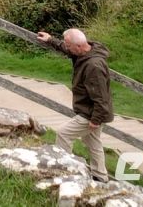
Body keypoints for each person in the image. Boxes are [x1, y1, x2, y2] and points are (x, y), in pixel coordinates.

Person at [35, 28, 113, 182]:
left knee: (63, 134)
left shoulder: (93, 66)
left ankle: (64, 170)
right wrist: (51, 40)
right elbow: (67, 48)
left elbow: (101, 97)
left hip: (90, 113)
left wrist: (95, 120)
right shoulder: (85, 52)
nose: (67, 48)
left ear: (78, 47)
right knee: (92, 142)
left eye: (68, 45)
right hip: (91, 111)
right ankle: (101, 176)